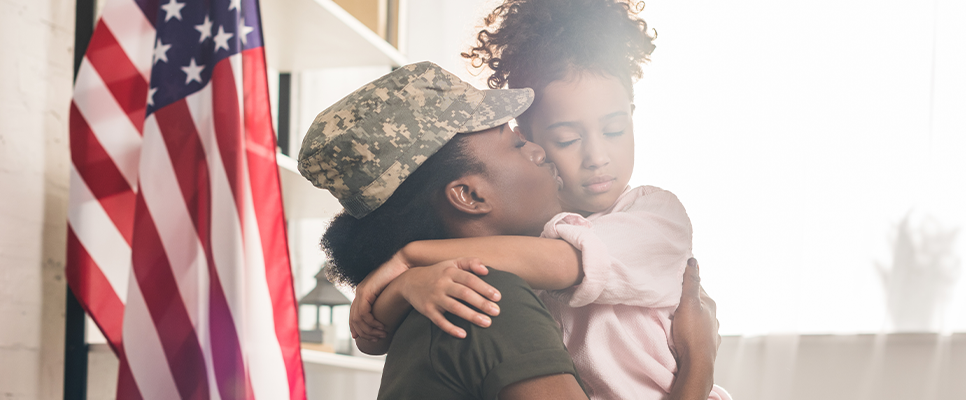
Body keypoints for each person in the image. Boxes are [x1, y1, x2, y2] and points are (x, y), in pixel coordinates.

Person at [349, 0, 732, 399]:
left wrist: (412, 258)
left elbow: (561, 263)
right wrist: (408, 280)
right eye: (567, 139)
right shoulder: (519, 249)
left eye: (615, 130)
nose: (598, 156)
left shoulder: (654, 217)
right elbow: (372, 340)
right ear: (533, 139)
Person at [299, 61, 588, 400]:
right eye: (516, 145)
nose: (540, 151)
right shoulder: (481, 295)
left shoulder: (425, 296)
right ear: (469, 195)